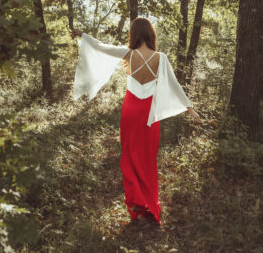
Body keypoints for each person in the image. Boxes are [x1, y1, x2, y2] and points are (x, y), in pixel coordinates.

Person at [72, 17, 200, 226]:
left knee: (130, 157)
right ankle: (150, 205)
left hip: (130, 111)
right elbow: (175, 85)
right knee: (147, 160)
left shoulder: (127, 54)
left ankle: (137, 207)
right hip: (148, 114)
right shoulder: (161, 58)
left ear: (133, 34)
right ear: (151, 34)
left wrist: (82, 35)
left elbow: (100, 47)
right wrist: (191, 110)